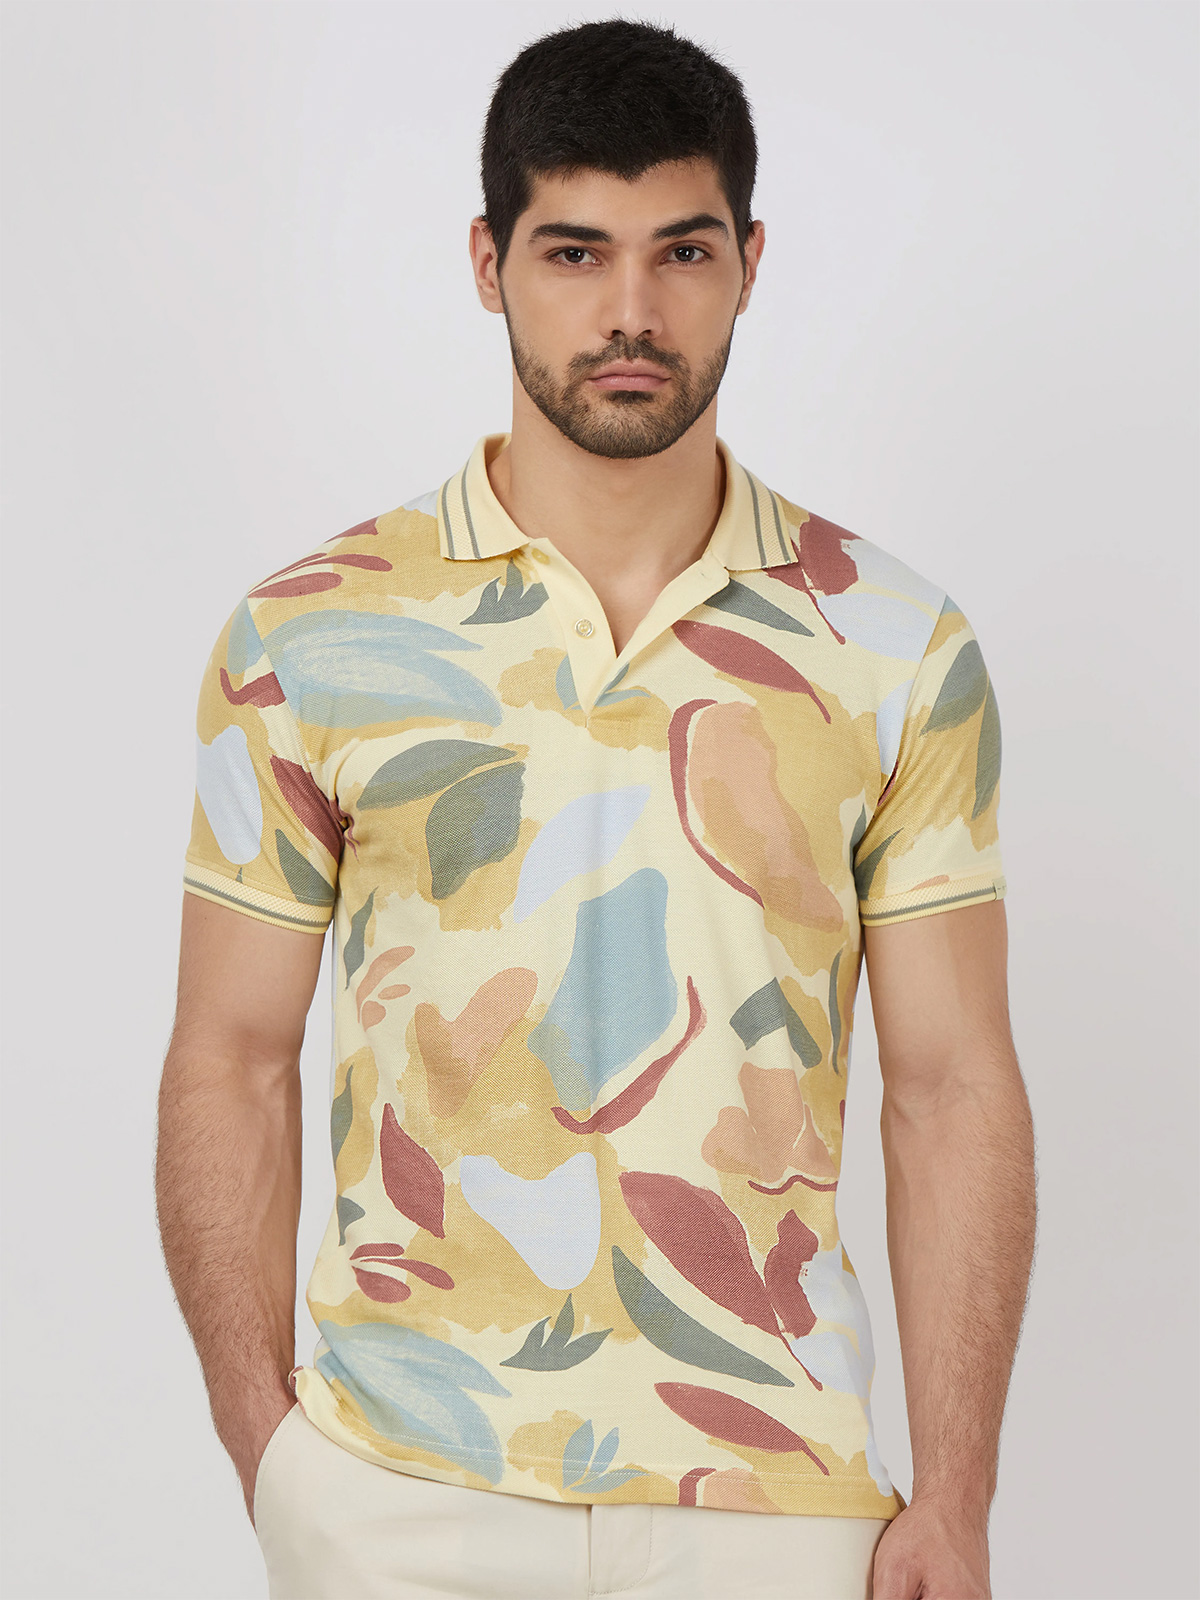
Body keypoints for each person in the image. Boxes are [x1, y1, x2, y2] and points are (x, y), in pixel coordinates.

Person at [156, 18, 1036, 1600]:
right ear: (486, 263)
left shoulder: (893, 646)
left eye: (681, 251)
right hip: (397, 1491)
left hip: (776, 1499)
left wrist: (957, 1496)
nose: (631, 311)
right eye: (574, 252)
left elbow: (954, 1084)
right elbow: (230, 1055)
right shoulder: (310, 633)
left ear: (750, 263)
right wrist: (266, 1448)